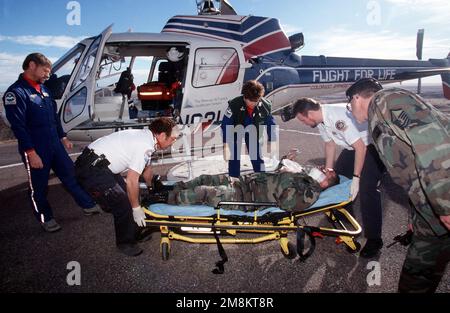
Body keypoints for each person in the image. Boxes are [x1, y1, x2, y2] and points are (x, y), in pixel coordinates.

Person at [346, 77, 450, 293]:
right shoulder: (380, 114)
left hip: (443, 202)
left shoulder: (387, 100)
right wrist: (417, 216)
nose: (350, 111)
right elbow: (414, 168)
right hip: (429, 215)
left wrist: (446, 206)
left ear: (356, 98)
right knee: (416, 277)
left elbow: (434, 148)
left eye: (349, 106)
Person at [2, 53, 100, 233]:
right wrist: (31, 152)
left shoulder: (44, 90)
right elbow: (19, 127)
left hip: (55, 144)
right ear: (32, 65)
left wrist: (62, 137)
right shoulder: (15, 93)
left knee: (71, 176)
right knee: (39, 187)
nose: (48, 75)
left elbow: (54, 118)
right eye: (45, 71)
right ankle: (45, 218)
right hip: (35, 148)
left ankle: (88, 205)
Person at [292, 97, 386, 258]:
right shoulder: (321, 121)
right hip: (353, 148)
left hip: (373, 147)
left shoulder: (336, 117)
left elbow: (360, 147)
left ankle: (374, 240)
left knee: (366, 189)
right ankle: (343, 216)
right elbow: (329, 144)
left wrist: (356, 177)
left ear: (309, 114)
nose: (304, 123)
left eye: (302, 120)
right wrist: (329, 171)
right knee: (336, 181)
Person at [74, 117, 180, 256]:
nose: (174, 141)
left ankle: (134, 232)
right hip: (91, 170)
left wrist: (151, 188)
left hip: (101, 165)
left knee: (131, 197)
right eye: (172, 138)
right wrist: (136, 209)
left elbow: (146, 169)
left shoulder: (148, 138)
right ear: (161, 135)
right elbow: (131, 180)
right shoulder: (145, 145)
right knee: (123, 203)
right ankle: (125, 243)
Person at [160, 160, 339, 212]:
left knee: (203, 192)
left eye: (327, 171)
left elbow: (287, 204)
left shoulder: (310, 192)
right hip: (244, 183)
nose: (322, 168)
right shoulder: (305, 177)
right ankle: (170, 189)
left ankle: (162, 199)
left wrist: (290, 177)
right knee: (204, 178)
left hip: (246, 198)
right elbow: (276, 180)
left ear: (326, 183)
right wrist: (284, 168)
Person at [221, 80, 278, 177]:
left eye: (256, 101)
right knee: (234, 156)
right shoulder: (234, 104)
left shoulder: (265, 105)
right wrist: (226, 143)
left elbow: (271, 124)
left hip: (253, 131)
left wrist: (272, 140)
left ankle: (261, 178)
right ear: (244, 97)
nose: (253, 103)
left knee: (257, 156)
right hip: (235, 130)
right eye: (250, 101)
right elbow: (226, 124)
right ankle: (234, 181)